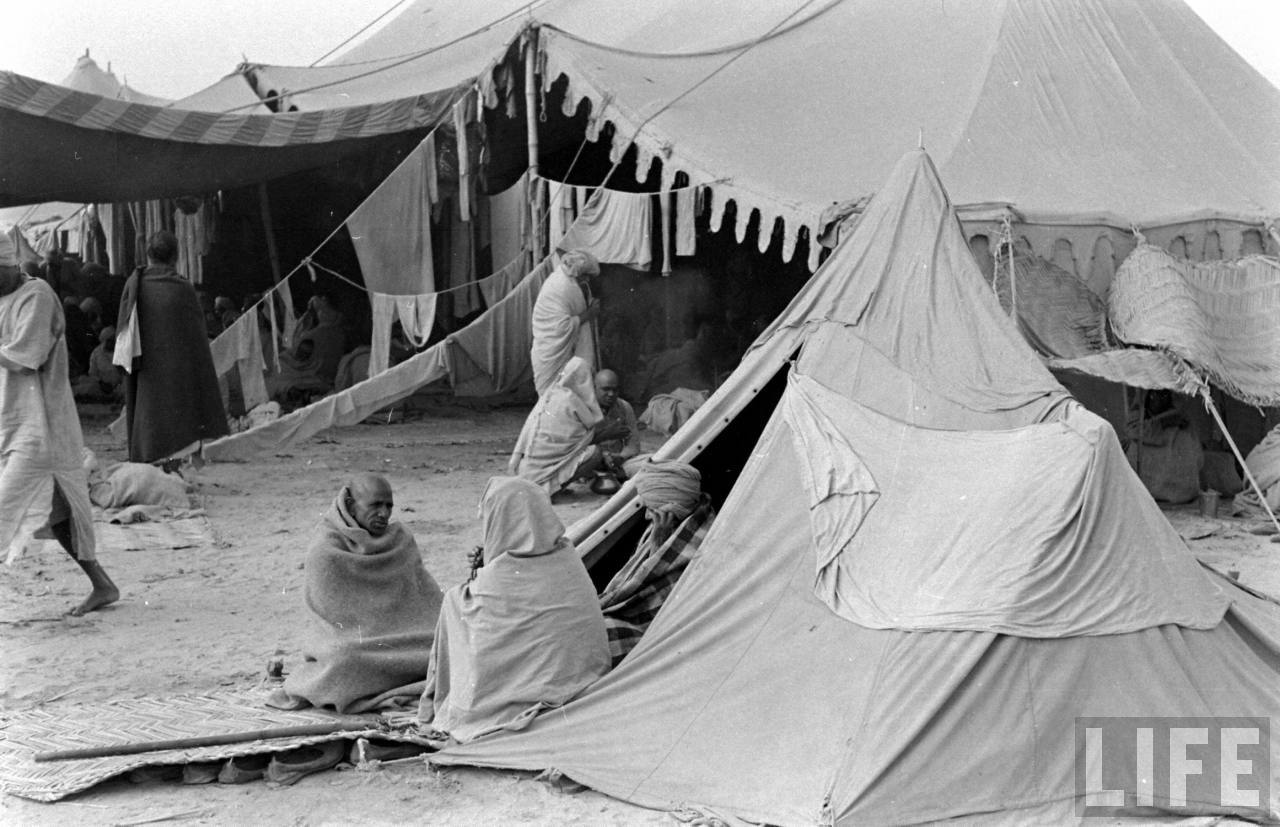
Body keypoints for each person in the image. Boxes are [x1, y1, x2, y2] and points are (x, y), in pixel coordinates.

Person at [417, 477, 609, 743]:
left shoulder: (502, 575)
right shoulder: (567, 556)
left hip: (537, 690)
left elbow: (485, 627)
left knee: (453, 602)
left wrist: (485, 569)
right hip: (586, 680)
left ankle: (466, 705)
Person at [0, 257, 118, 615]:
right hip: (13, 419)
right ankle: (102, 585)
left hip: (42, 425)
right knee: (60, 513)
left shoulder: (37, 295)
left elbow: (26, 357)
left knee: (4, 508)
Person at [267, 474, 443, 714]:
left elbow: (425, 599)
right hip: (356, 644)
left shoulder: (401, 539)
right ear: (350, 506)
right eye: (375, 505)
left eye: (388, 506)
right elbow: (334, 622)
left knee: (445, 643)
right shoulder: (325, 550)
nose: (383, 513)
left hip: (405, 638)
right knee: (344, 659)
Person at [116, 230, 228, 463]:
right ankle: (175, 462)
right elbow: (196, 336)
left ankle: (149, 459)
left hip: (144, 362)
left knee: (147, 412)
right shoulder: (183, 288)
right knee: (179, 411)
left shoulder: (135, 283)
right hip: (178, 365)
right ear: (176, 257)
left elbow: (122, 328)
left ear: (148, 254)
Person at [598, 461, 716, 665]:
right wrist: (658, 542)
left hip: (661, 632)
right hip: (637, 618)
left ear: (673, 506)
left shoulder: (703, 540)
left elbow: (659, 596)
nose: (645, 515)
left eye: (650, 508)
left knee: (598, 635)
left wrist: (659, 542)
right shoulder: (665, 526)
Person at [508, 356, 630, 494]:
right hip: (543, 467)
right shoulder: (572, 400)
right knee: (594, 453)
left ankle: (551, 486)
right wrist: (608, 434)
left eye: (615, 390)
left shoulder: (550, 395)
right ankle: (550, 489)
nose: (611, 394)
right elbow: (581, 439)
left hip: (528, 466)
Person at [530, 249, 599, 395]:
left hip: (559, 346)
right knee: (549, 392)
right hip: (549, 346)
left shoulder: (561, 277)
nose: (587, 280)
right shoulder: (565, 286)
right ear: (578, 272)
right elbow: (560, 327)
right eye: (586, 276)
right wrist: (589, 313)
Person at [593, 368, 643, 479]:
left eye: (615, 390)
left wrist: (620, 457)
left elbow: (633, 444)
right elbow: (577, 446)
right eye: (606, 389)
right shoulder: (583, 409)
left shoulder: (624, 407)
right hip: (592, 461)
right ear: (594, 388)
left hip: (619, 461)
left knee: (653, 461)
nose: (611, 394)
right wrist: (601, 457)